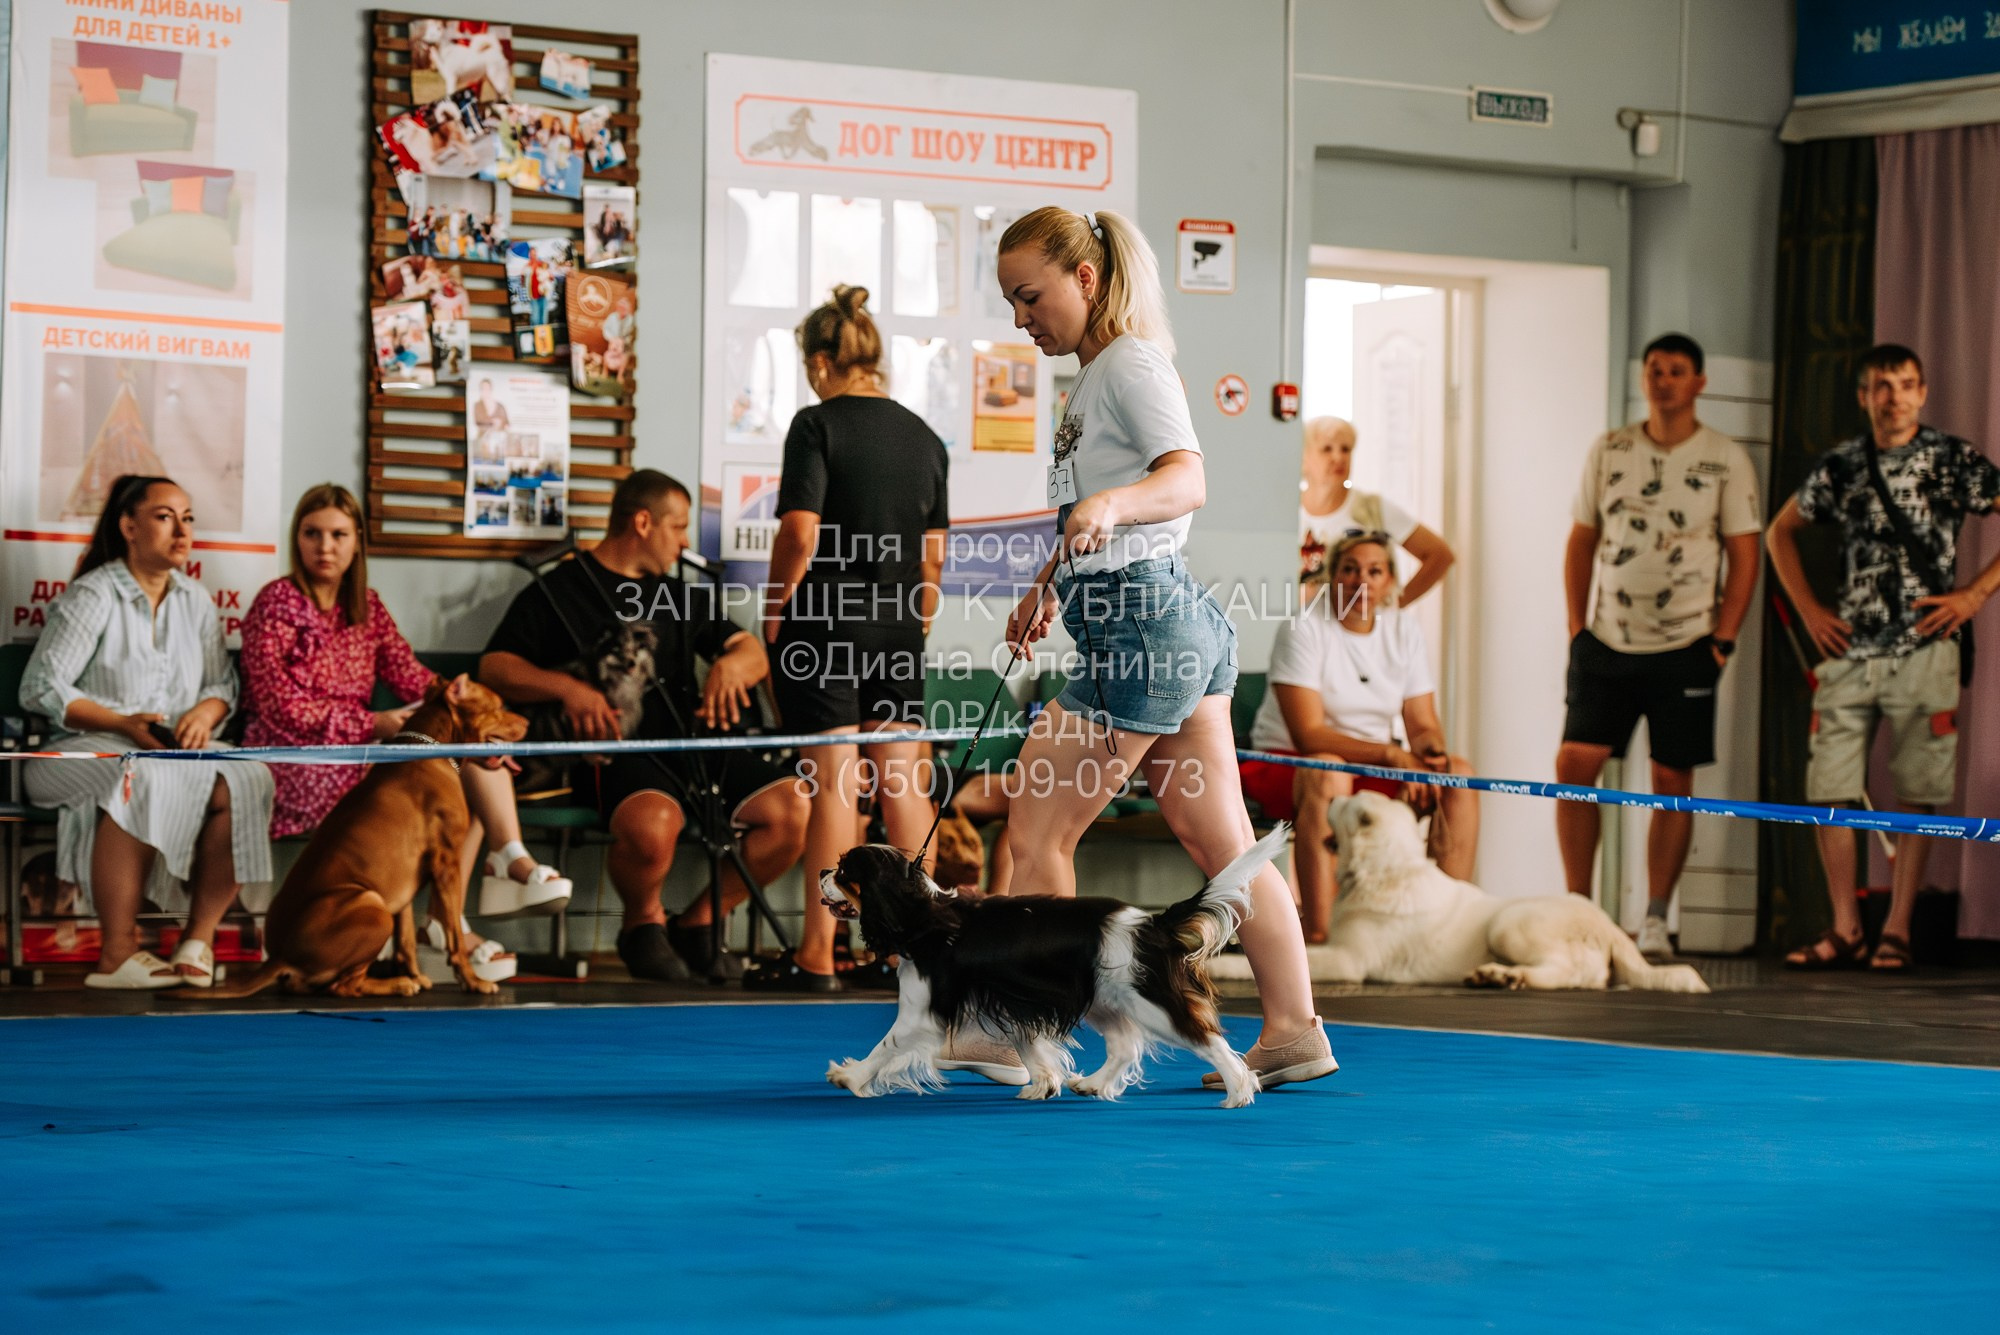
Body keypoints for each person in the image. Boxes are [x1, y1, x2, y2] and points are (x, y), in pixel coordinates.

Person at [995, 206, 1338, 1088]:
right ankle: (1296, 1026)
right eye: (1010, 302)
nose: (1021, 317)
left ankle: (1013, 1028)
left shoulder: (1131, 364)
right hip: (1161, 621)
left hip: (1143, 627)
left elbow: (1185, 478)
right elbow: (1100, 513)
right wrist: (1046, 585)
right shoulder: (1094, 377)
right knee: (1222, 839)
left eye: (1031, 297)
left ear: (1088, 279)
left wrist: (1112, 507)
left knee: (1036, 827)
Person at [480, 470, 808, 982]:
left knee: (794, 811)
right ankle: (642, 926)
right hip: (622, 754)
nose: (684, 542)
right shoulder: (559, 589)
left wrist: (730, 665)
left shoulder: (678, 594)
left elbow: (747, 649)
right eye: (678, 527)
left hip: (696, 744)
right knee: (653, 827)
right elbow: (495, 666)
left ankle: (697, 924)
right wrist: (568, 689)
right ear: (642, 522)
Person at [240, 484, 571, 985]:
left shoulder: (366, 607)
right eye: (312, 534)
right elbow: (278, 706)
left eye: (337, 535)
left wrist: (454, 700)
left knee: (470, 754)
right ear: (297, 539)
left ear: (356, 544)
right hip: (297, 758)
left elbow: (414, 678)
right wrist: (371, 723)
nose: (324, 547)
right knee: (441, 799)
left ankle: (503, 864)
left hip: (366, 757)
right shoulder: (276, 603)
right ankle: (485, 889)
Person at [1768, 344, 2000, 971]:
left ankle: (1897, 927)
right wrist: (1812, 611)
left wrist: (1975, 594)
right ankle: (1846, 925)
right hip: (1851, 650)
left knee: (1918, 789)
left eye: (1905, 385)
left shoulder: (1952, 459)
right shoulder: (1842, 465)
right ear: (1864, 396)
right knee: (1829, 789)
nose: (1893, 396)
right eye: (1881, 386)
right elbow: (1778, 532)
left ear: (1923, 393)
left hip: (1927, 647)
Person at [751, 284, 948, 993]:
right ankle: (913, 950)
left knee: (834, 780)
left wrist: (777, 611)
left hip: (826, 616)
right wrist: (912, 621)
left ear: (827, 359)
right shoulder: (925, 437)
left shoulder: (816, 424)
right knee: (902, 782)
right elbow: (932, 556)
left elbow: (800, 532)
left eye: (811, 366)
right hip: (898, 622)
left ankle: (818, 953)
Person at [20, 475, 275, 989]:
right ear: (129, 526)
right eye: (164, 517)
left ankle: (197, 941)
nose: (181, 530)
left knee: (249, 776)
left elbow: (221, 683)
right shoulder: (96, 593)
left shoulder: (196, 600)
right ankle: (117, 952)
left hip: (167, 751)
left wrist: (205, 713)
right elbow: (41, 687)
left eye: (188, 518)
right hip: (73, 755)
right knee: (142, 771)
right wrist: (122, 724)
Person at [1557, 332, 1762, 962]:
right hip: (1607, 643)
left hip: (1687, 646)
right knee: (1574, 770)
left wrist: (1722, 641)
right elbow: (1582, 540)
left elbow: (1744, 554)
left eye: (1676, 371)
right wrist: (1577, 630)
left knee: (1671, 778)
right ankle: (1581, 911)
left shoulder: (1724, 456)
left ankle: (1653, 918)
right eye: (1654, 370)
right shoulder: (1611, 449)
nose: (1662, 380)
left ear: (1698, 382)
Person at [1241, 533, 1478, 942]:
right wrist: (1392, 755)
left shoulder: (1404, 629)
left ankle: (1445, 930)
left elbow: (1421, 723)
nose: (1361, 581)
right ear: (1333, 576)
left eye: (1374, 571)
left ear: (1390, 582)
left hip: (1372, 765)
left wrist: (1432, 760)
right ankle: (1321, 935)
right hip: (1291, 763)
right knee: (1329, 772)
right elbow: (1309, 735)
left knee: (1458, 774)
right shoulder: (1303, 627)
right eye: (1350, 570)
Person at [1297, 415, 1455, 598]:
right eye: (1326, 449)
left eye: (1346, 449)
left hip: (1358, 624)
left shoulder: (1372, 508)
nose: (1338, 457)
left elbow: (1440, 556)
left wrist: (1395, 605)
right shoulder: (1285, 509)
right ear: (1304, 458)